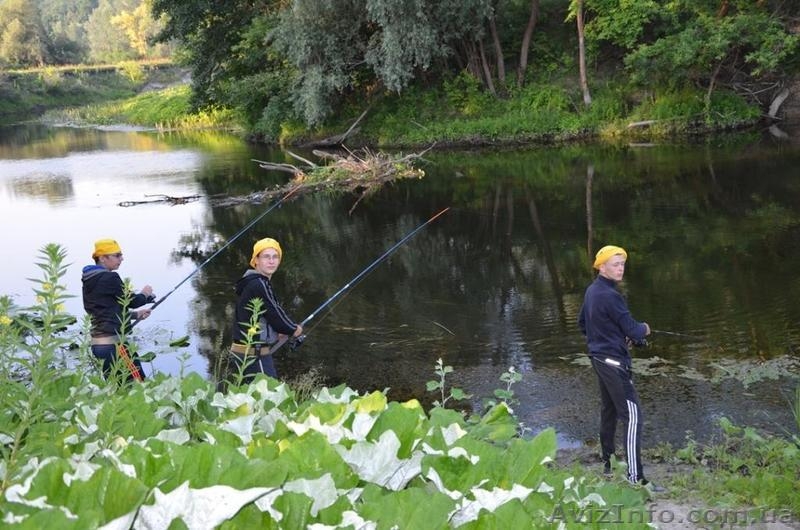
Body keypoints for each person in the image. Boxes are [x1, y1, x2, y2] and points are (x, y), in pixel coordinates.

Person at [578, 245, 657, 489]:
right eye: (615, 264)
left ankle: (608, 464)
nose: (620, 268)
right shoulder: (611, 296)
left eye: (622, 264)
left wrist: (614, 338)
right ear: (601, 267)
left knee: (609, 412)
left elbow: (584, 324)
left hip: (600, 359)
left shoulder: (593, 291)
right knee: (633, 417)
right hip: (613, 362)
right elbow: (634, 329)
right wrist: (644, 328)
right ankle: (635, 478)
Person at [229, 237, 303, 382]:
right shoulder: (258, 284)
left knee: (248, 400)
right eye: (266, 257)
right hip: (254, 355)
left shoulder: (252, 282)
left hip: (242, 352)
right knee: (271, 397)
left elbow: (261, 314)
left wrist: (277, 332)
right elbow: (274, 313)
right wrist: (293, 329)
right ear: (255, 260)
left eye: (275, 257)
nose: (271, 261)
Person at [82, 238, 155, 381]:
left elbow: (102, 310)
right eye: (117, 255)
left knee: (116, 388)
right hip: (114, 345)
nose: (121, 259)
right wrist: (145, 294)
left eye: (120, 255)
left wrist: (134, 315)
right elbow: (132, 301)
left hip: (98, 345)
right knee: (139, 383)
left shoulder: (89, 279)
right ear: (102, 258)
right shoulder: (110, 277)